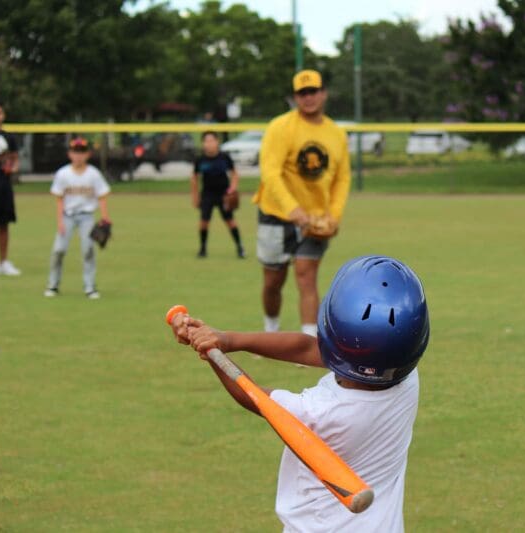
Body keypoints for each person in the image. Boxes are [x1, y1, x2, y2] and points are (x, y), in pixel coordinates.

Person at [169, 255, 430, 532]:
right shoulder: (404, 376)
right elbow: (307, 348)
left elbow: (251, 396)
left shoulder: (319, 413)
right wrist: (225, 340)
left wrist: (212, 352)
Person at [254, 69, 351, 337]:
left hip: (315, 219)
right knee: (273, 280)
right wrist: (292, 209)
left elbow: (342, 179)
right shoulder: (280, 127)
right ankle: (271, 330)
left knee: (307, 277)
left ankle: (308, 341)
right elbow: (270, 172)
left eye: (313, 91)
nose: (308, 97)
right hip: (276, 214)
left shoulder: (336, 134)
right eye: (302, 93)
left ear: (323, 93)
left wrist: (334, 215)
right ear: (295, 97)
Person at [44, 137, 111, 299]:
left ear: (87, 154)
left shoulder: (93, 174)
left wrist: (104, 217)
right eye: (75, 152)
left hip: (86, 217)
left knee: (88, 250)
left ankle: (90, 287)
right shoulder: (63, 173)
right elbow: (59, 199)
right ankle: (53, 285)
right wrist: (60, 221)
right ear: (69, 154)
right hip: (67, 216)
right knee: (58, 250)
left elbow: (102, 196)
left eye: (81, 152)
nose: (78, 156)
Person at [191, 131, 244, 258]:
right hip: (207, 195)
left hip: (223, 195)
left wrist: (232, 188)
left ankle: (240, 248)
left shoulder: (224, 157)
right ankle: (203, 249)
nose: (209, 144)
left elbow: (234, 174)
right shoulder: (200, 159)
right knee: (204, 222)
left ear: (217, 142)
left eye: (211, 140)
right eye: (206, 141)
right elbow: (194, 178)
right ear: (203, 144)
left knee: (230, 221)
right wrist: (195, 196)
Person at [0, 100, 21, 277]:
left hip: (3, 186)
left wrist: (12, 167)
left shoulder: (9, 138)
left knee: (4, 224)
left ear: (3, 116)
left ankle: (3, 262)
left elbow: (15, 159)